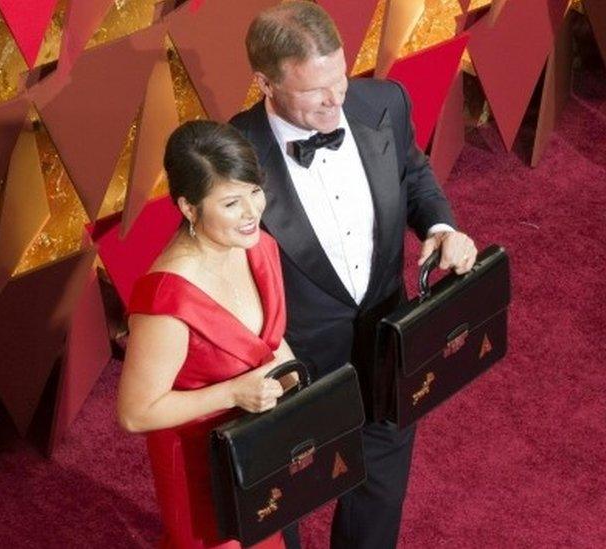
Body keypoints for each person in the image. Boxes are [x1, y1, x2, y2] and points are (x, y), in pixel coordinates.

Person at [229, 3, 479, 549]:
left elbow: (413, 173)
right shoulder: (231, 159)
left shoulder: (383, 102)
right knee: (279, 510)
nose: (335, 100)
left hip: (387, 342)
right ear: (264, 83)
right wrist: (268, 362)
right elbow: (222, 277)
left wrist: (439, 226)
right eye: (315, 90)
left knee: (381, 492)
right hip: (291, 367)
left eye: (340, 79)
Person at [117, 120, 298, 549]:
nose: (253, 212)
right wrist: (235, 394)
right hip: (201, 463)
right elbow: (135, 414)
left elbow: (266, 346)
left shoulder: (258, 247)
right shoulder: (167, 299)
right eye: (232, 202)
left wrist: (302, 396)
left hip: (258, 443)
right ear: (189, 208)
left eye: (255, 191)